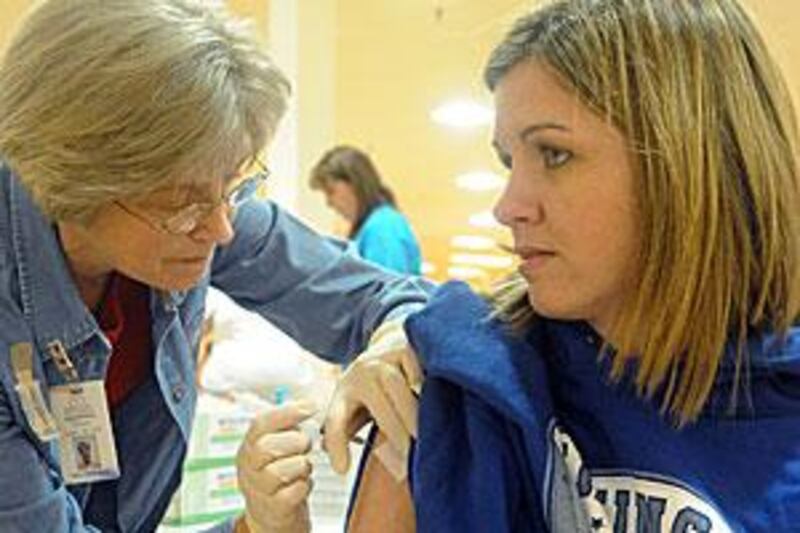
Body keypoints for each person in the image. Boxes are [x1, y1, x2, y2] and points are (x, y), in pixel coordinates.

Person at [347, 0, 800, 531]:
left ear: (686, 161)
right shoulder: (458, 376)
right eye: (509, 161)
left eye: (554, 154)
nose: (508, 206)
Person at [0, 1, 429, 532]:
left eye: (230, 187)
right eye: (185, 203)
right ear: (79, 181)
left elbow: (386, 299)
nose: (222, 229)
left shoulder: (198, 207)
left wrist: (395, 338)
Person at [309, 145, 422, 275]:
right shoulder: (373, 227)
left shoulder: (382, 227)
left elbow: (384, 289)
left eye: (331, 191)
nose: (329, 203)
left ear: (355, 183)